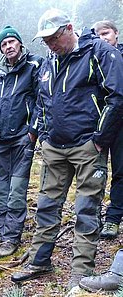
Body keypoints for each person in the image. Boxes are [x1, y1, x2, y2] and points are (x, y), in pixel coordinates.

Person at [12, 9, 123, 287]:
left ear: (69, 28)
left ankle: (80, 274)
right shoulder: (50, 62)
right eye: (45, 40)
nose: (49, 44)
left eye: (53, 38)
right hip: (54, 146)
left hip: (87, 145)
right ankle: (39, 261)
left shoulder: (99, 52)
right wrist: (42, 134)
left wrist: (100, 139)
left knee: (86, 208)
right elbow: (43, 101)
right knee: (47, 206)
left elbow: (117, 97)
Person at [0, 26, 43, 258]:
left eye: (11, 42)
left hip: (21, 139)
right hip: (0, 140)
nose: (8, 46)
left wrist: (32, 130)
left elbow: (42, 99)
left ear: (19, 43)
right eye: (4, 44)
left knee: (16, 190)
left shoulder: (32, 67)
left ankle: (11, 237)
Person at [93, 20, 123, 240]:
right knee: (96, 172)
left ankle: (113, 219)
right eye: (98, 35)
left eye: (106, 33)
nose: (102, 38)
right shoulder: (94, 59)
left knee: (120, 173)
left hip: (121, 123)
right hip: (99, 124)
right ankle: (93, 217)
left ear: (116, 34)